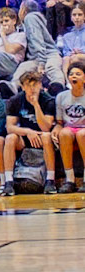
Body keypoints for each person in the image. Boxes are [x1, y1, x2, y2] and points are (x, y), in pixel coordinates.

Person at [0, 66, 57, 196]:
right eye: (28, 85)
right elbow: (10, 127)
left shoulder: (48, 100)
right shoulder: (15, 100)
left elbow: (46, 127)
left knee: (46, 136)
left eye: (35, 85)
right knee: (10, 138)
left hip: (42, 137)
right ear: (22, 87)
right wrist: (28, 132)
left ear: (40, 85)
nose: (32, 89)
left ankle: (50, 180)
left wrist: (36, 105)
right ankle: (8, 182)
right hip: (25, 137)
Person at [55, 58, 85, 192]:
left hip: (83, 130)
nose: (74, 76)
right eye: (71, 74)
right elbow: (60, 122)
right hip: (69, 128)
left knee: (82, 134)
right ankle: (70, 180)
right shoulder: (61, 96)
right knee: (64, 133)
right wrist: (56, 129)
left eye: (78, 74)